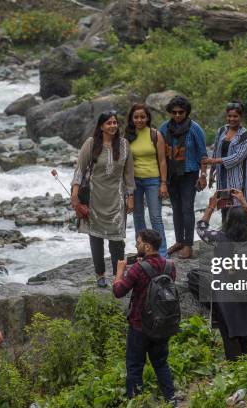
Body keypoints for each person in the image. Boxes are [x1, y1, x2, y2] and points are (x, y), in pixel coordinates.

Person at [112, 229, 177, 406]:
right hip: (162, 324)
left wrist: (119, 272)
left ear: (147, 246)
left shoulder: (137, 269)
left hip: (139, 326)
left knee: (134, 366)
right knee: (161, 363)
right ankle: (171, 399)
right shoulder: (170, 266)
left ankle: (136, 402)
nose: (136, 244)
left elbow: (118, 291)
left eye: (139, 242)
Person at [71, 111, 135, 288]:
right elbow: (80, 170)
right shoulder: (91, 144)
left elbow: (129, 174)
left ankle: (118, 275)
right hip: (94, 197)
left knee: (117, 239)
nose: (113, 126)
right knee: (96, 238)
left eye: (115, 122)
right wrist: (75, 194)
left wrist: (130, 197)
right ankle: (100, 274)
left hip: (117, 198)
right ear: (101, 126)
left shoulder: (123, 145)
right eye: (108, 123)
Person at [196, 189, 247, 361]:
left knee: (229, 329)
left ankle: (235, 366)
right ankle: (245, 362)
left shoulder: (219, 237)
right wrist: (244, 202)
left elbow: (201, 228)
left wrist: (210, 207)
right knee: (242, 328)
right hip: (245, 289)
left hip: (225, 290)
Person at [159, 95, 208, 259]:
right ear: (170, 112)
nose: (178, 115)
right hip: (171, 174)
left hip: (189, 173)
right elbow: (159, 153)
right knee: (176, 209)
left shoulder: (195, 129)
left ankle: (188, 245)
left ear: (186, 112)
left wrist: (203, 176)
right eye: (174, 112)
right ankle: (179, 240)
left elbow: (203, 154)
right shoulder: (164, 128)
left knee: (187, 209)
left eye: (181, 112)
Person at [124, 103, 169, 257]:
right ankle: (142, 251)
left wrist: (163, 183)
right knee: (137, 216)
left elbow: (162, 160)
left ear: (147, 118)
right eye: (136, 117)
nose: (139, 120)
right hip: (134, 181)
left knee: (155, 217)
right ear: (131, 119)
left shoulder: (155, 135)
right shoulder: (128, 137)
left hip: (153, 180)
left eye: (142, 117)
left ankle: (161, 253)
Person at [203, 101, 247, 223]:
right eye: (229, 116)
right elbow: (216, 151)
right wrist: (211, 174)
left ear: (241, 117)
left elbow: (237, 157)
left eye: (235, 116)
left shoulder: (246, 136)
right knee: (224, 205)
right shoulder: (222, 130)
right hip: (222, 177)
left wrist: (213, 160)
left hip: (239, 178)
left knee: (239, 207)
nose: (232, 119)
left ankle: (242, 236)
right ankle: (225, 234)